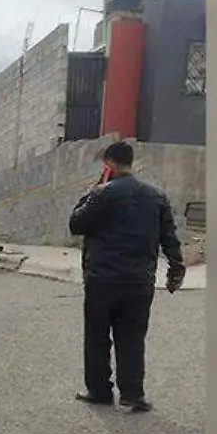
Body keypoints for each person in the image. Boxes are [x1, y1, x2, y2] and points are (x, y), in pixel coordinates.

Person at [68, 141, 185, 412]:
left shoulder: (102, 194)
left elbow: (76, 223)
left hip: (102, 279)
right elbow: (169, 237)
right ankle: (132, 393)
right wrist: (176, 267)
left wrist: (93, 189)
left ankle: (99, 391)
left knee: (97, 337)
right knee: (132, 337)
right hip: (139, 281)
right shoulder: (156, 196)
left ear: (108, 164)